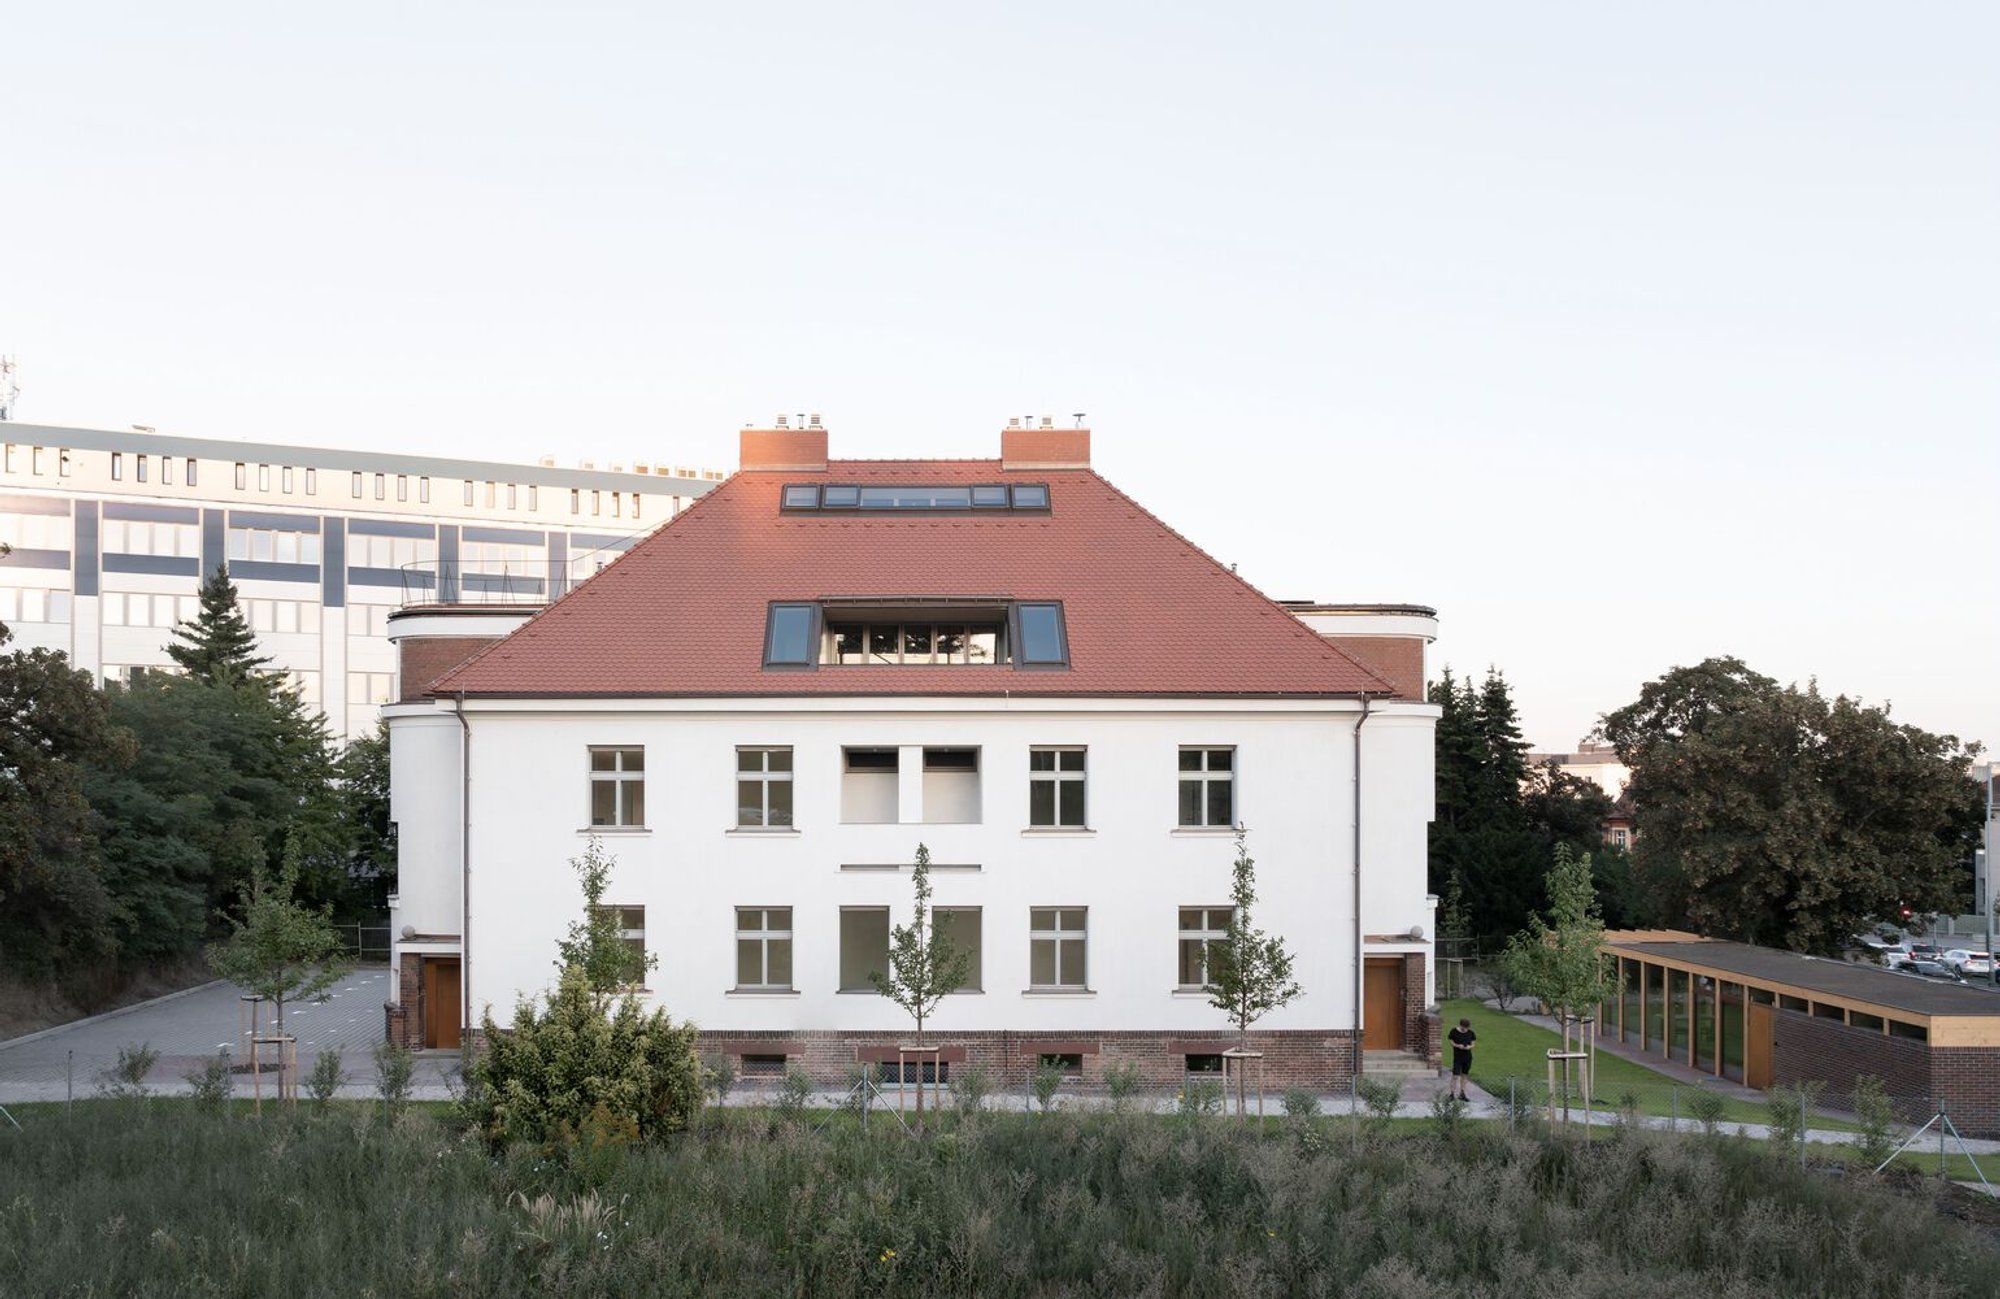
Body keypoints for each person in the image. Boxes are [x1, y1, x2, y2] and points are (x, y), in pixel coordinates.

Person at [1446, 1017, 1476, 1100]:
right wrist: (1457, 1045)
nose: (1465, 1029)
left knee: (1464, 1075)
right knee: (1455, 1075)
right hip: (1458, 1057)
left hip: (1467, 1057)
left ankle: (1462, 1093)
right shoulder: (1454, 1031)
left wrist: (1469, 1047)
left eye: (1467, 1028)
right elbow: (1451, 1041)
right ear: (1460, 1025)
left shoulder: (1471, 1033)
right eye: (1464, 1027)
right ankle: (1452, 1094)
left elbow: (1473, 1044)